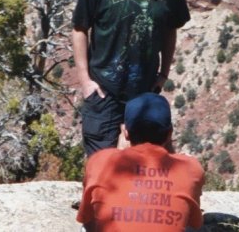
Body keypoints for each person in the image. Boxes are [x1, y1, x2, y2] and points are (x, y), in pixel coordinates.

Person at [72, 0, 190, 155]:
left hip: (145, 95)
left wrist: (163, 74)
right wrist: (85, 81)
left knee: (149, 164)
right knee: (101, 164)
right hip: (103, 92)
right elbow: (79, 29)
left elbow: (171, 29)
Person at [77, 92, 204, 231]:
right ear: (170, 133)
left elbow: (87, 219)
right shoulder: (190, 168)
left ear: (125, 132)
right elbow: (194, 223)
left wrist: (119, 153)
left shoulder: (99, 162)